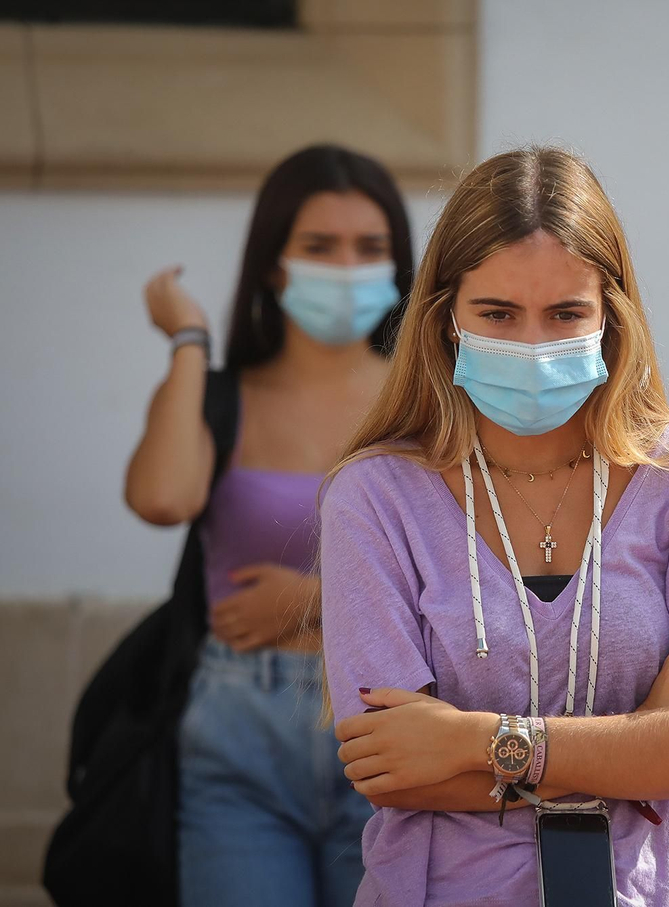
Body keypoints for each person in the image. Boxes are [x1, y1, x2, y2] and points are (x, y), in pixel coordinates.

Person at [318, 146, 669, 907]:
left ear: (612, 317)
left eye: (566, 312)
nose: (532, 343)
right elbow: (395, 768)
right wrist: (646, 736)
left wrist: (480, 742)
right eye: (497, 313)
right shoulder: (375, 497)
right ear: (444, 320)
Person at [122, 144, 414, 905]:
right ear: (274, 264)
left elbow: (470, 573)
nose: (346, 266)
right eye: (319, 246)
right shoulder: (219, 397)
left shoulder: (429, 404)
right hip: (237, 730)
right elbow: (161, 498)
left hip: (395, 722)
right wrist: (190, 343)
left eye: (369, 247)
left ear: (399, 264)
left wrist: (314, 602)